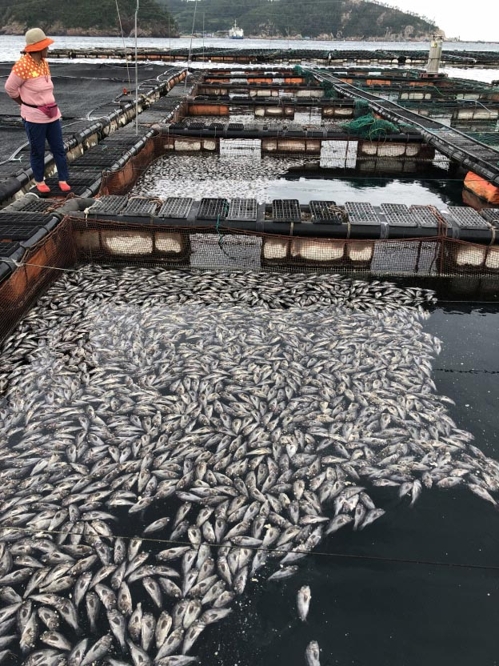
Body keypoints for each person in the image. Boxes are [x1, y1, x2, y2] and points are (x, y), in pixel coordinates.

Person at [4, 28, 70, 194]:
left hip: (52, 114)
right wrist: (23, 104)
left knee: (58, 148)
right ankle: (39, 180)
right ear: (37, 48)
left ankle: (63, 178)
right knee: (37, 150)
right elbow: (10, 89)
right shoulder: (22, 66)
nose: (48, 49)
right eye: (45, 47)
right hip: (34, 116)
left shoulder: (44, 63)